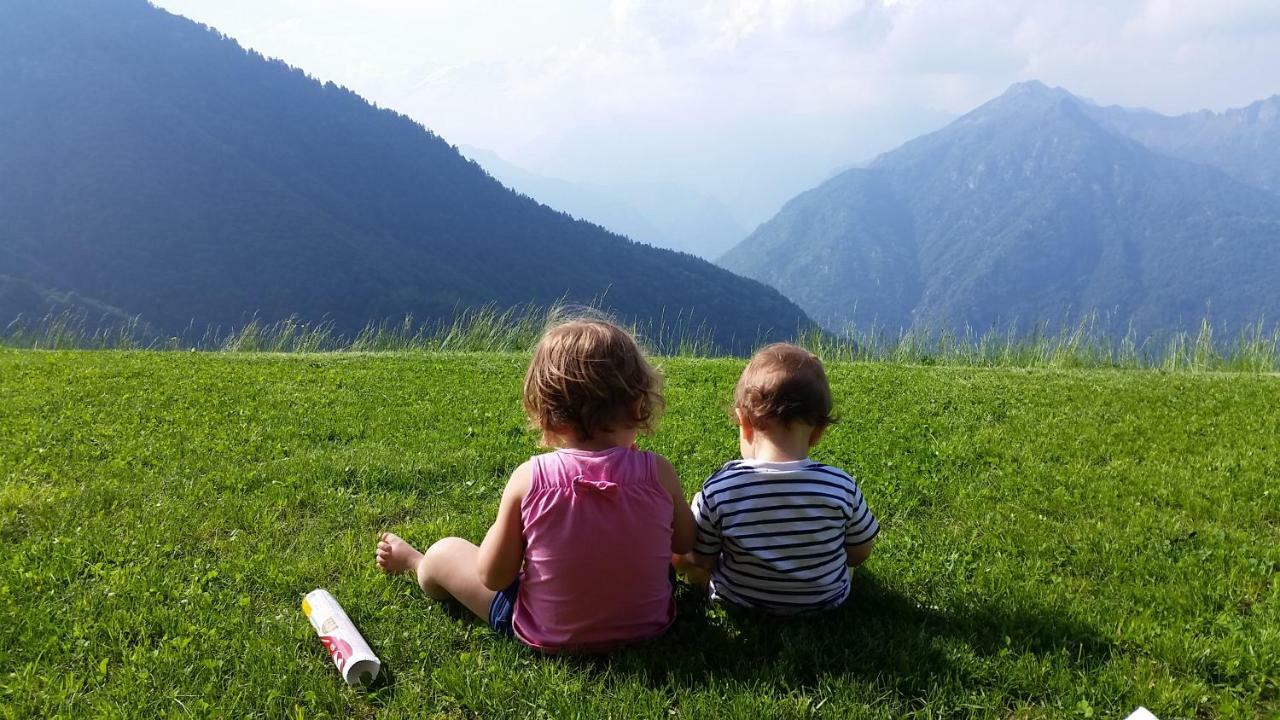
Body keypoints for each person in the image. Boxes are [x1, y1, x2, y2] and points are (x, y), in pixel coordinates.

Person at [377, 316, 695, 652]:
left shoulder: (531, 479)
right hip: (649, 628)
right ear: (637, 405)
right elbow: (686, 540)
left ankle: (416, 562)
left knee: (445, 552)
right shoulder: (658, 472)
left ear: (545, 415)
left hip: (549, 634)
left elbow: (494, 577)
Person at [673, 342, 878, 613]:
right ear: (817, 433)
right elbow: (859, 554)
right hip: (826, 602)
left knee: (684, 556)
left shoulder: (721, 488)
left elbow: (703, 558)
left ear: (744, 424)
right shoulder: (840, 486)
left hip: (738, 601)